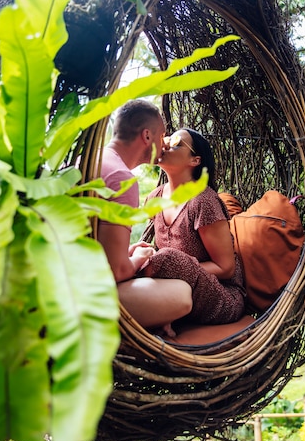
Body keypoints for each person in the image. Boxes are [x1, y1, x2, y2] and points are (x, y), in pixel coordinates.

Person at [97, 99, 193, 330]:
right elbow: (116, 271)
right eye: (163, 137)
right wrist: (139, 258)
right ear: (147, 136)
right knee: (181, 294)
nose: (165, 146)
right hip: (84, 293)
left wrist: (127, 252)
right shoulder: (122, 179)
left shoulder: (92, 159)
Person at [140, 128, 246, 328]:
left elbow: (226, 268)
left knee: (165, 258)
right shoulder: (154, 199)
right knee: (140, 253)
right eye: (168, 139)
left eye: (177, 142)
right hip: (176, 290)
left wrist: (177, 269)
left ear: (195, 161)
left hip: (221, 295)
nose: (167, 144)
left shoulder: (203, 201)